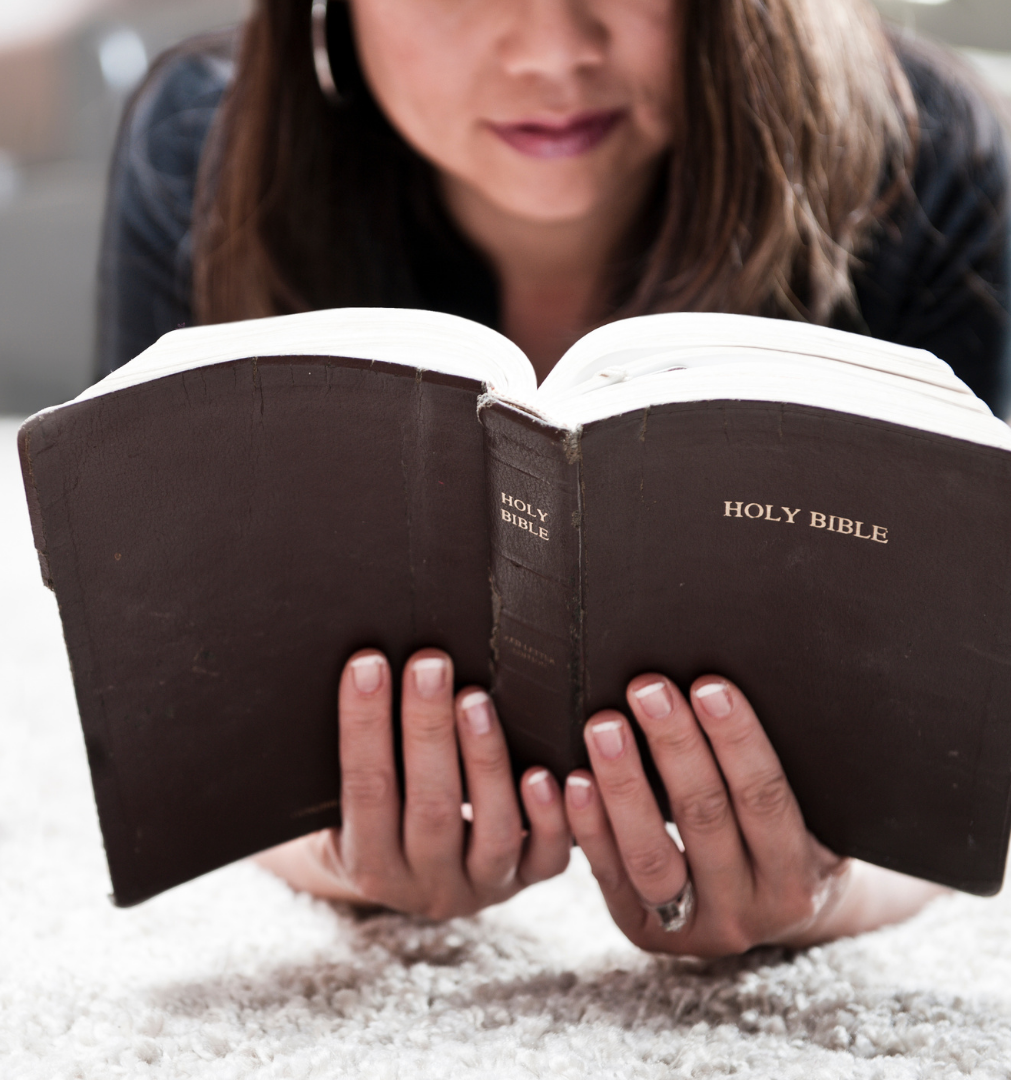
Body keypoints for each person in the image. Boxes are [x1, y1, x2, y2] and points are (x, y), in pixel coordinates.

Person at [97, 0, 1010, 956]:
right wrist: (333, 853)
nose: (551, 52)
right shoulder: (202, 150)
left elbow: (969, 760)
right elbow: (160, 710)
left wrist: (832, 894)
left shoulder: (919, 152)